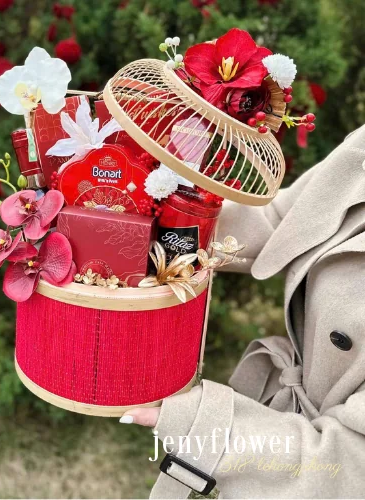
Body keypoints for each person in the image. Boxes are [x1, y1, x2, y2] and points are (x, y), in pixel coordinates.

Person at [119, 124, 365, 498]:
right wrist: (146, 220)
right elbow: (284, 219)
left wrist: (214, 428)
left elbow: (352, 462)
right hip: (294, 424)